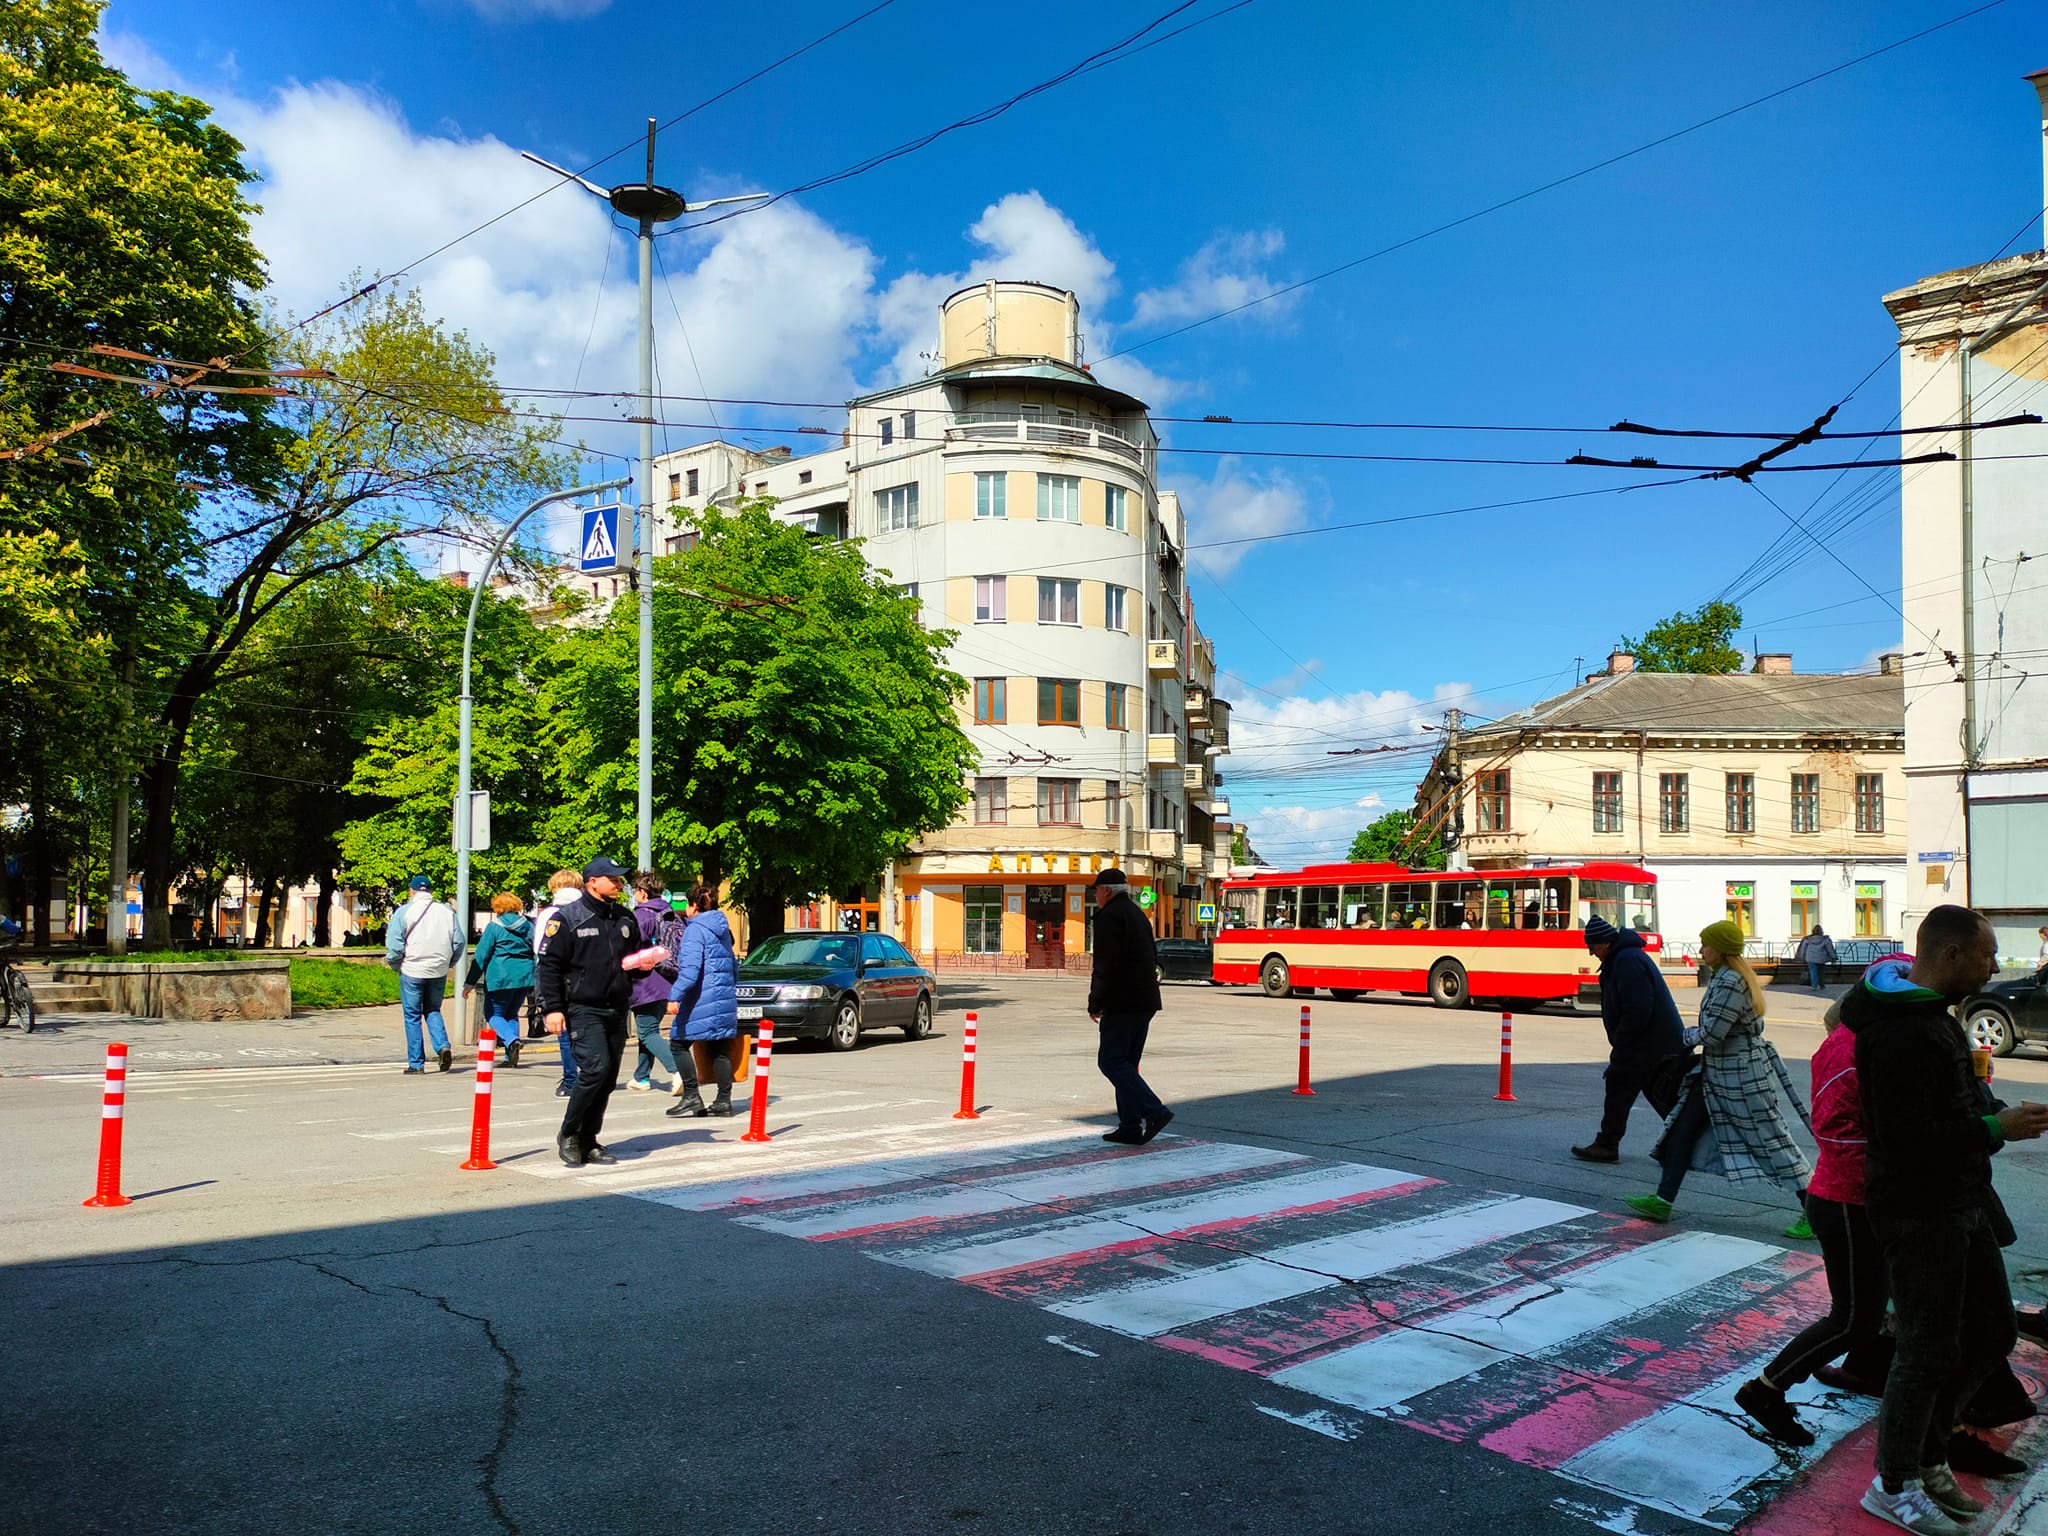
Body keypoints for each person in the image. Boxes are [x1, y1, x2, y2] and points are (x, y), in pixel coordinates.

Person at [1844, 905, 2048, 1535]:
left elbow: (1941, 1107)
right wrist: (1995, 1127)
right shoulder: (1906, 1031)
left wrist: (1988, 1108)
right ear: (1953, 955)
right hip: (1918, 1210)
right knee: (1926, 1349)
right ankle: (1895, 1481)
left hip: (1961, 1201)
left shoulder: (1932, 1017)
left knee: (1988, 1331)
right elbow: (1904, 1140)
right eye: (1987, 956)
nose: (1995, 967)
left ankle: (1929, 1454)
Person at [1731, 976, 1892, 1446]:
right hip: (1845, 1201)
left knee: (1869, 1307)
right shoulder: (1852, 1052)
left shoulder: (1856, 1043)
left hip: (1851, 1199)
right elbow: (1840, 1135)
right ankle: (1765, 1389)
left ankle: (1867, 1369)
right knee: (1851, 1317)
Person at [1624, 921, 1812, 1230]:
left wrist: (1684, 1037)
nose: (1700, 950)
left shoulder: (1729, 981)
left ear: (1721, 948)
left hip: (1739, 1077)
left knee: (1771, 1140)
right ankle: (1663, 1200)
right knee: (1682, 1129)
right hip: (1719, 1073)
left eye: (1705, 944)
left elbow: (1713, 1033)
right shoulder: (1730, 977)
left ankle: (1814, 1212)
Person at [535, 856, 639, 1168]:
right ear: (593, 882)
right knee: (595, 1070)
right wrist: (552, 1008)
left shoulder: (624, 918)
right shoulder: (568, 918)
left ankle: (590, 1140)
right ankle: (569, 1133)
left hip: (616, 1007)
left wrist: (645, 965)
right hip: (582, 1007)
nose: (619, 884)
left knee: (606, 1078)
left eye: (621, 879)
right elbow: (549, 967)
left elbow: (633, 959)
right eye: (613, 879)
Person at [1570, 915, 1684, 1164]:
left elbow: (1637, 1010)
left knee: (1623, 1086)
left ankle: (1609, 1145)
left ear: (1605, 943)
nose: (1592, 953)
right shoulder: (1624, 957)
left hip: (1649, 1044)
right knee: (1658, 1095)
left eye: (1593, 947)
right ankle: (1678, 1147)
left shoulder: (1627, 961)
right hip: (1655, 1043)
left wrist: (1621, 1047)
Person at [1088, 869, 1171, 1146]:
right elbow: (1152, 954)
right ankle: (1130, 1126)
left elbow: (1105, 965)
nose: (1096, 896)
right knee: (1127, 1064)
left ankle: (1154, 1112)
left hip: (1122, 1001)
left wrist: (1095, 1002)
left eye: (1096, 891)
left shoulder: (1110, 917)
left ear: (1107, 891)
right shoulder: (1137, 914)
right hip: (1145, 1000)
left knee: (1110, 1061)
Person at [663, 885, 739, 1118]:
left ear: (694, 906)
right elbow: (733, 965)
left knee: (678, 1043)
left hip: (700, 999)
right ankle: (723, 1101)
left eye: (687, 904)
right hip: (723, 997)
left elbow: (690, 971)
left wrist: (674, 995)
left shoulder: (695, 930)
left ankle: (691, 1096)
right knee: (719, 1049)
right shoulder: (723, 929)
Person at [625, 871, 697, 1104]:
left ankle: (678, 1072)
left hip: (645, 981)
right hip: (667, 979)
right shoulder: (670, 913)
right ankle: (641, 1077)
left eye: (635, 891)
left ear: (642, 892)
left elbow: (628, 948)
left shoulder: (642, 916)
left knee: (646, 1032)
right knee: (650, 1029)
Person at [384, 874, 464, 1075]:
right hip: (438, 970)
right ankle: (442, 1046)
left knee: (412, 1016)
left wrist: (396, 964)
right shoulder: (446, 911)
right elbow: (459, 942)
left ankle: (416, 1064)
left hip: (412, 969)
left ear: (411, 891)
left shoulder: (404, 912)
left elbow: (394, 945)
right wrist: (448, 963)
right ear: (430, 891)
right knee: (433, 1009)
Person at [462, 893, 534, 1068]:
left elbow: (481, 956)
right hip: (525, 976)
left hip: (500, 977)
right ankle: (510, 1057)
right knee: (512, 1013)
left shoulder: (494, 927)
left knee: (493, 1014)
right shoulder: (529, 926)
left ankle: (511, 1040)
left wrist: (469, 983)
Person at [534, 870, 584, 1099]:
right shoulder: (588, 910)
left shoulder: (550, 914)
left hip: (557, 977)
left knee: (563, 1031)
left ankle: (571, 1079)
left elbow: (540, 951)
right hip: (584, 976)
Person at [1796, 925, 1840, 992]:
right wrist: (1833, 957)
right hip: (1821, 958)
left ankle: (1814, 986)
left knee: (1813, 972)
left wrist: (1802, 957)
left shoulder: (1808, 939)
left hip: (1810, 958)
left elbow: (1803, 949)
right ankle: (1822, 985)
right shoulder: (1825, 939)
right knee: (1821, 972)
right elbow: (1830, 949)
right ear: (1821, 931)